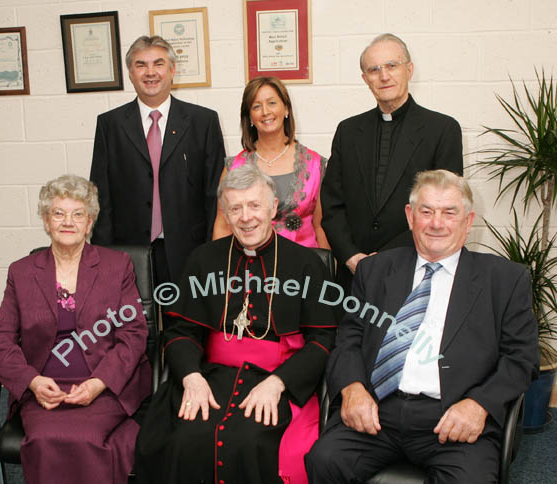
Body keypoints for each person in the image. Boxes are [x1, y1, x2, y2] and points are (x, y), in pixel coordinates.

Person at [306, 170, 538, 483]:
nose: (436, 223)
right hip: (377, 411)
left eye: (449, 213)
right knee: (325, 460)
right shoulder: (374, 270)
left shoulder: (505, 280)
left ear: (468, 221)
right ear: (410, 216)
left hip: (452, 417)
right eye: (426, 211)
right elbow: (349, 338)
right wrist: (352, 389)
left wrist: (479, 404)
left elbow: (521, 358)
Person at [135, 163, 337, 484]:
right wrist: (191, 377)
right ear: (225, 215)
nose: (246, 217)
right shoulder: (203, 260)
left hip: (277, 380)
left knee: (249, 440)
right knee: (185, 439)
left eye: (255, 205)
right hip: (210, 378)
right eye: (236, 208)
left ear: (273, 207)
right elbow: (180, 331)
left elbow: (322, 340)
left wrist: (279, 383)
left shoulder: (307, 264)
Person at [0, 175, 151, 484]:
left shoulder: (117, 266)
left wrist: (100, 382)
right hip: (45, 388)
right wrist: (32, 381)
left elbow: (133, 334)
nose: (68, 222)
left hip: (103, 384)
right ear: (46, 221)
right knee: (46, 438)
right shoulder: (21, 272)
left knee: (88, 438)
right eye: (58, 213)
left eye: (78, 214)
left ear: (90, 223)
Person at [321, 33, 463, 292]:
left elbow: (444, 210)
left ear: (409, 70)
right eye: (374, 69)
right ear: (365, 79)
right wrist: (352, 258)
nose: (383, 75)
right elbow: (332, 206)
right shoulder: (348, 131)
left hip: (416, 272)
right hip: (354, 276)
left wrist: (386, 259)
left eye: (391, 66)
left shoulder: (442, 130)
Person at [90, 35, 226, 286]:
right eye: (140, 65)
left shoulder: (202, 122)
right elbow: (101, 196)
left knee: (184, 324)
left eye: (159, 64)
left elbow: (214, 195)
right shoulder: (110, 125)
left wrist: (214, 251)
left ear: (173, 70)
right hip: (128, 251)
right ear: (130, 73)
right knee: (134, 324)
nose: (150, 72)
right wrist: (103, 255)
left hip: (190, 249)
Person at [212, 76, 329, 249]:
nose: (265, 112)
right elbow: (222, 226)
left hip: (304, 265)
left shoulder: (315, 164)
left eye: (272, 103)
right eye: (256, 106)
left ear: (286, 109)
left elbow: (321, 226)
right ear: (250, 117)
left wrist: (327, 271)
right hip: (251, 269)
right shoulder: (234, 167)